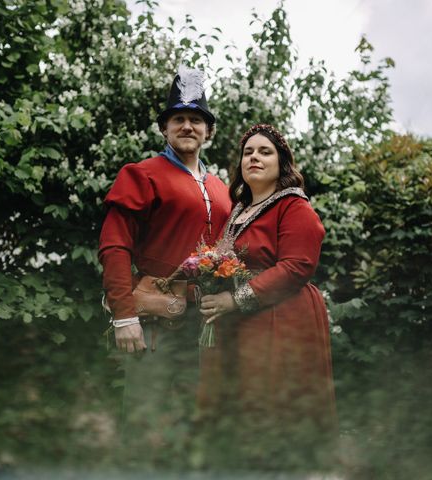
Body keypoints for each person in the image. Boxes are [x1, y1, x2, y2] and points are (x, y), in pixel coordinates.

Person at [98, 66, 232, 465]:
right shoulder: (142, 175)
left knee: (196, 430)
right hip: (157, 324)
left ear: (208, 131)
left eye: (196, 120)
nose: (187, 126)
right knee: (144, 429)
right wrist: (124, 315)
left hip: (206, 327)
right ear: (165, 129)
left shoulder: (221, 188)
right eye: (179, 119)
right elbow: (114, 246)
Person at [196, 123, 337, 469]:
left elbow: (296, 266)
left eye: (264, 151)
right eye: (248, 152)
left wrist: (234, 299)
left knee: (273, 406)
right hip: (241, 325)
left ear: (281, 163)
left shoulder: (293, 206)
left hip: (282, 318)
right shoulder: (238, 210)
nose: (254, 157)